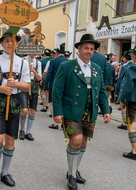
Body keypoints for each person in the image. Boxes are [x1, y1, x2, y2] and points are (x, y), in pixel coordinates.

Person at [53, 33, 111, 190]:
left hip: (90, 111)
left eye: (92, 49)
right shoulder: (67, 66)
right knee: (76, 140)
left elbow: (101, 92)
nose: (89, 51)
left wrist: (106, 110)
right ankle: (72, 175)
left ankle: (74, 170)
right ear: (79, 48)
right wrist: (57, 111)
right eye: (86, 48)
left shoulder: (97, 68)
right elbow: (57, 90)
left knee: (84, 141)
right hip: (71, 110)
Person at [0, 29, 30, 187]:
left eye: (13, 40)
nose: (10, 43)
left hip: (15, 102)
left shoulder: (22, 63)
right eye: (7, 40)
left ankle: (4, 172)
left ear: (18, 43)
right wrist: (2, 88)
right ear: (1, 43)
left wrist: (15, 84)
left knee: (10, 140)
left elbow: (27, 86)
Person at [44, 43, 68, 129]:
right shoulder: (69, 61)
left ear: (57, 53)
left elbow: (49, 75)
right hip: (66, 86)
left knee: (53, 103)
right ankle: (64, 123)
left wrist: (45, 87)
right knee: (64, 103)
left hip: (54, 85)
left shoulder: (53, 61)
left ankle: (55, 123)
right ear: (64, 53)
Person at [118, 46, 136, 160]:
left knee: (132, 126)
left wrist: (123, 101)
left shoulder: (132, 69)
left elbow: (127, 88)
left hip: (134, 101)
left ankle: (134, 151)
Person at [19, 54, 41, 141]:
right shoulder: (22, 61)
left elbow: (38, 78)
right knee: (24, 110)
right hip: (25, 85)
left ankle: (28, 132)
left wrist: (33, 70)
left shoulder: (37, 63)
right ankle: (22, 129)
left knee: (32, 111)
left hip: (34, 86)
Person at [114, 51, 134, 130]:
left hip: (125, 89)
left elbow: (120, 79)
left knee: (123, 107)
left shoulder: (125, 67)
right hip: (133, 91)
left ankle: (124, 123)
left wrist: (116, 91)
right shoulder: (134, 65)